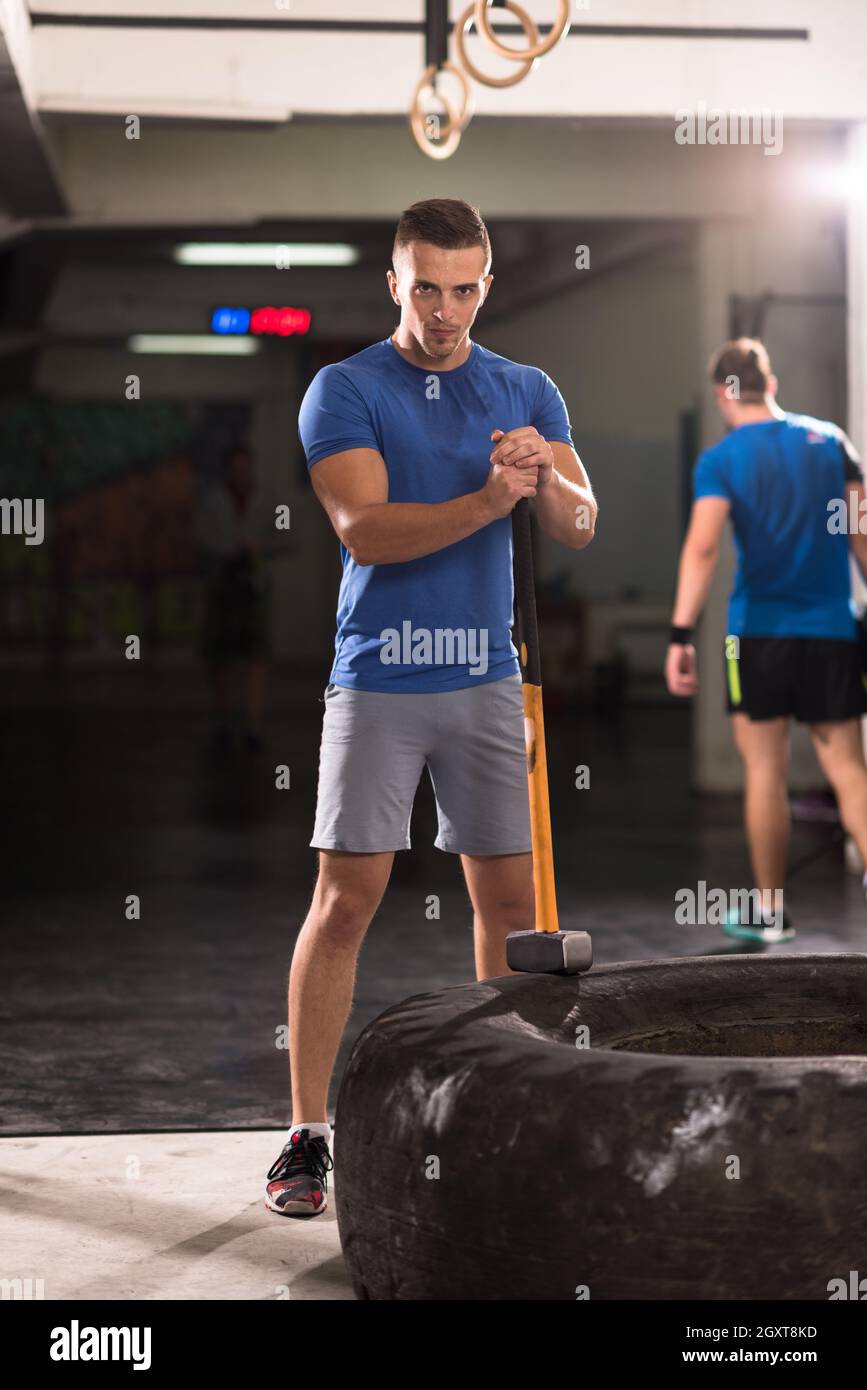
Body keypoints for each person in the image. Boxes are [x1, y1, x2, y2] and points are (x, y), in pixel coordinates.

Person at [264, 197, 597, 1217]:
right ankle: (307, 1136)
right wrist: (492, 501)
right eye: (425, 287)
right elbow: (367, 529)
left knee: (509, 910)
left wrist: (546, 483)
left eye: (463, 288)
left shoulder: (526, 388)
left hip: (488, 683)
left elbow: (582, 524)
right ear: (394, 282)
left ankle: (507, 1109)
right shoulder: (345, 388)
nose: (444, 308)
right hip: (378, 683)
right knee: (346, 900)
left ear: (485, 285)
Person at [666, 337, 867, 943]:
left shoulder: (722, 458)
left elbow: (702, 548)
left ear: (722, 397)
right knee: (850, 772)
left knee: (764, 771)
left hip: (754, 638)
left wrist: (680, 632)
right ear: (770, 384)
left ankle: (770, 911)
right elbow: (861, 534)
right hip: (833, 628)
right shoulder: (831, 441)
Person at [195, 443, 273, 752]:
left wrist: (259, 548)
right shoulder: (212, 500)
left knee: (255, 656)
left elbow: (288, 536)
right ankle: (223, 721)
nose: (241, 473)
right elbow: (200, 534)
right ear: (228, 470)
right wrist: (230, 546)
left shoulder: (267, 500)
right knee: (220, 658)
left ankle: (253, 724)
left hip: (254, 588)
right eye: (236, 467)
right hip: (221, 585)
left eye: (246, 466)